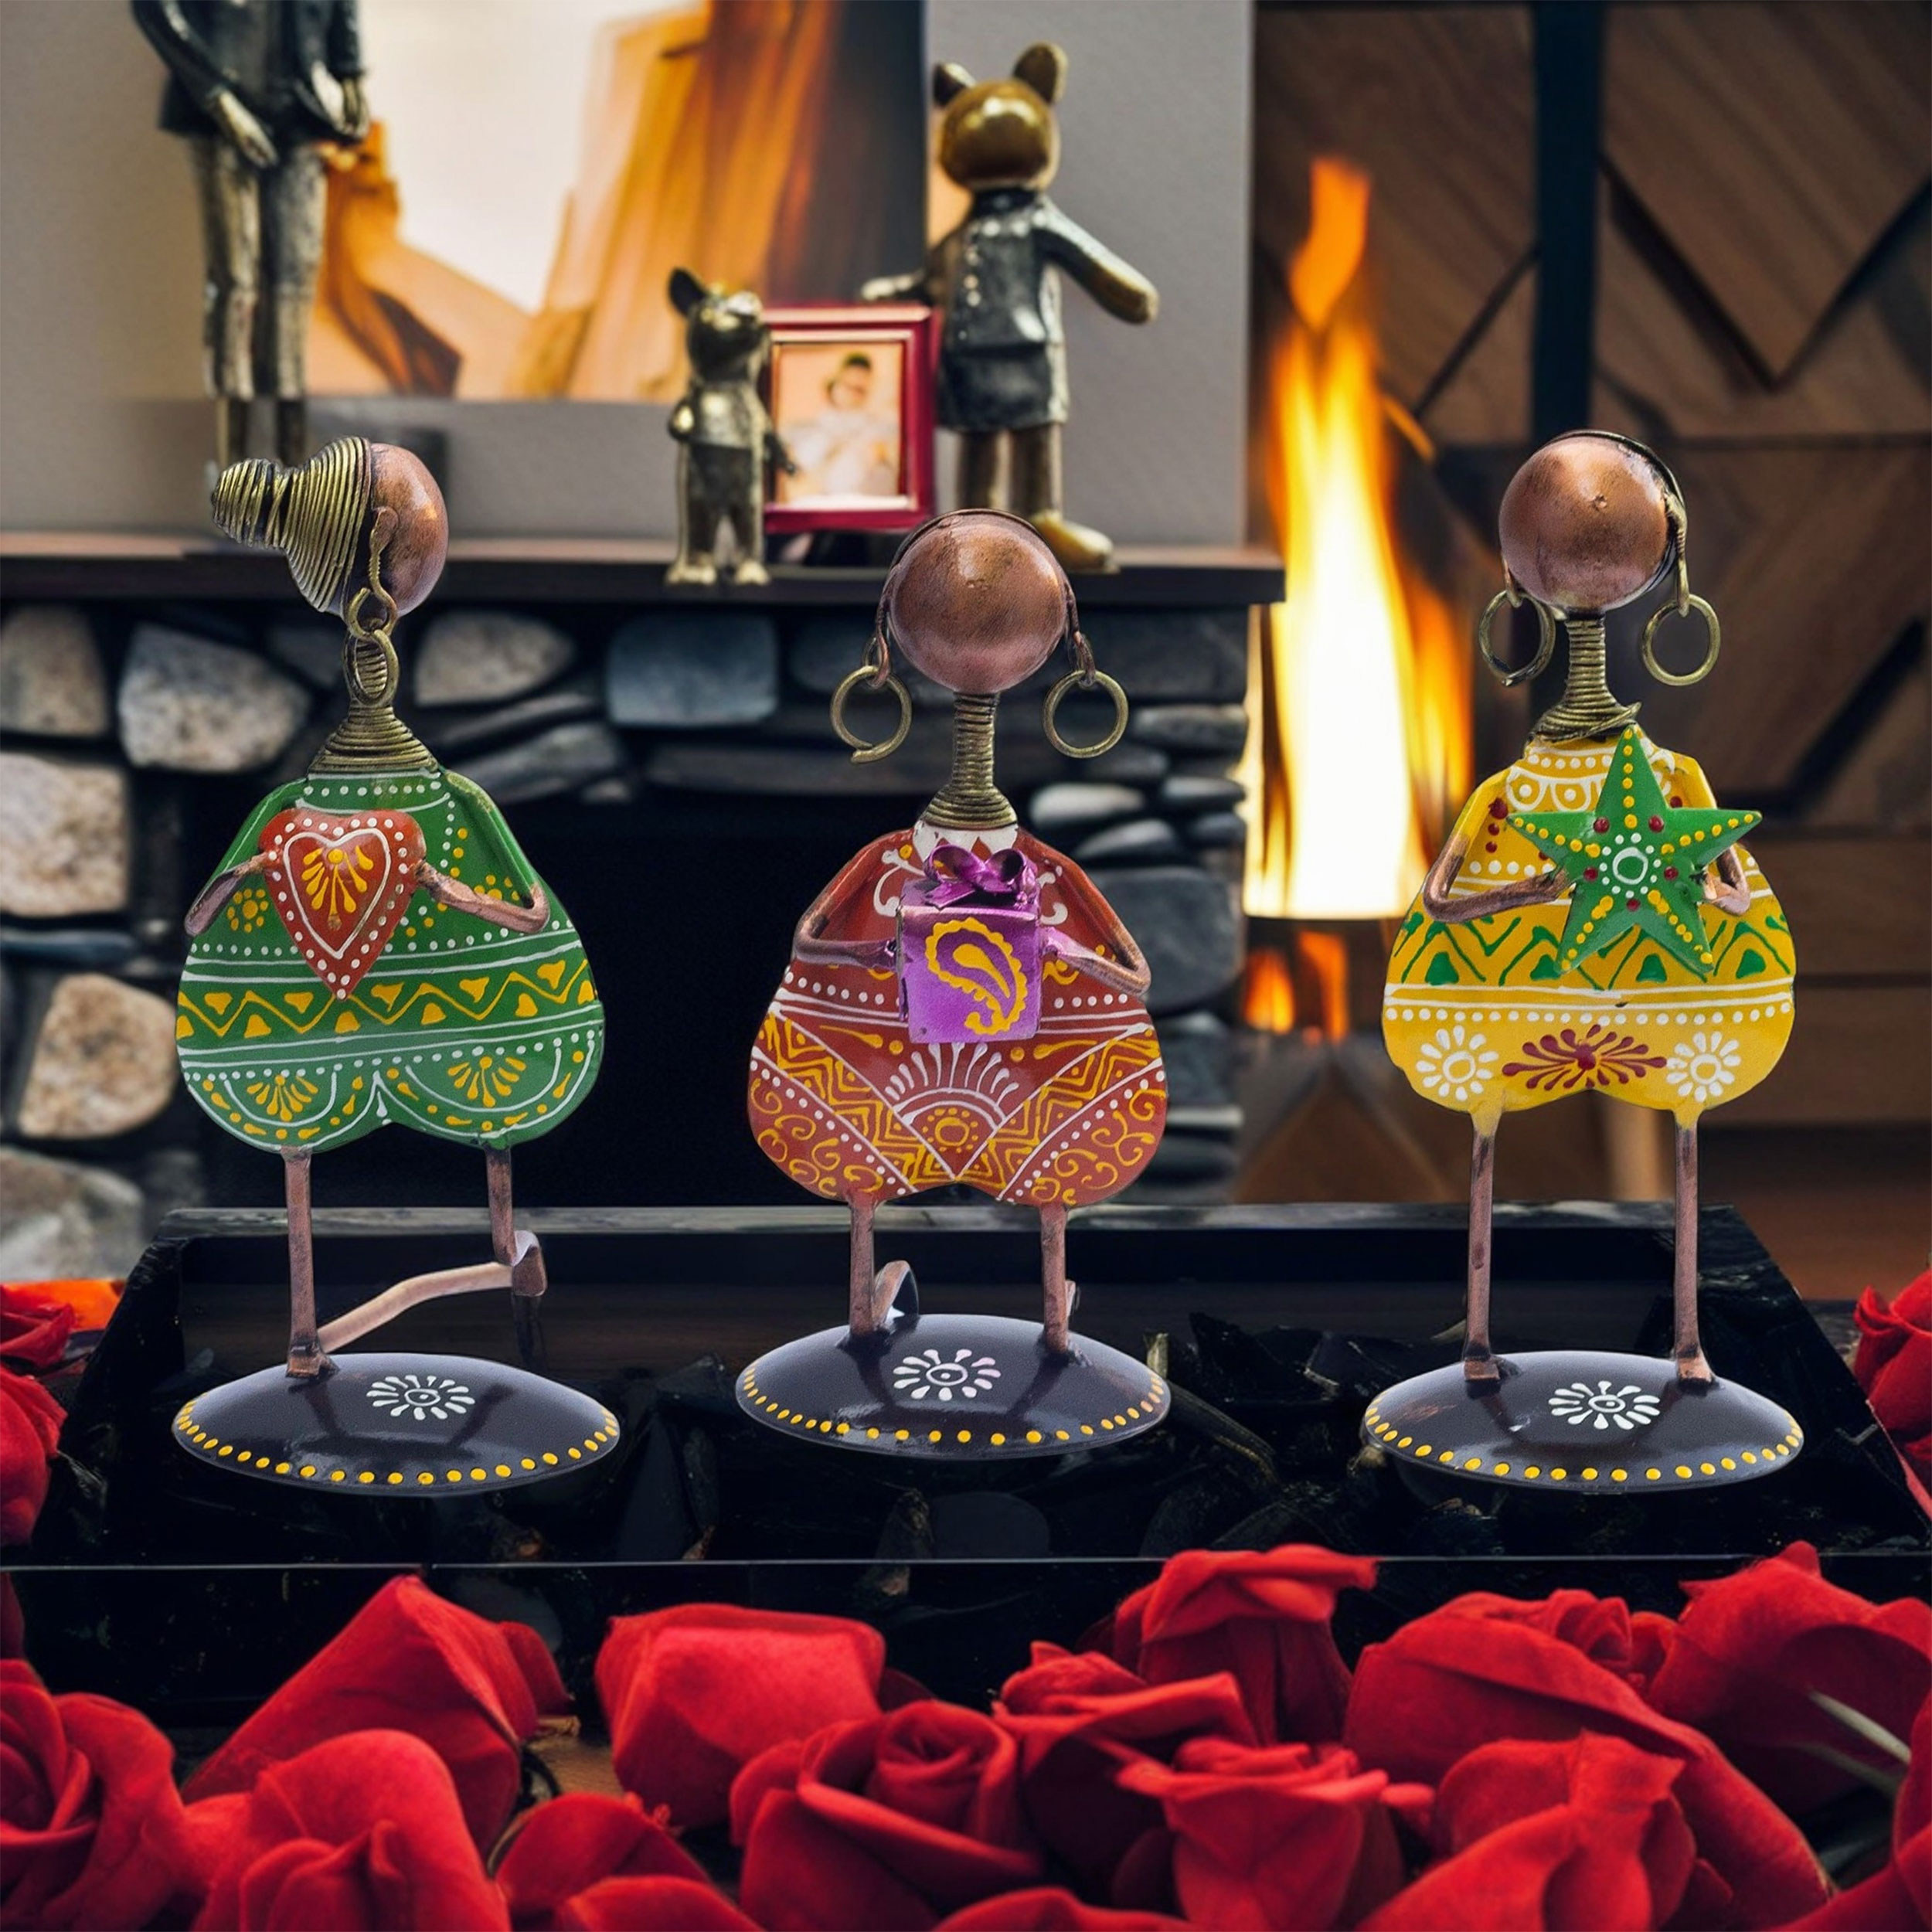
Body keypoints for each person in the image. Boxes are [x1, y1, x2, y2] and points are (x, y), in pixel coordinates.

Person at [132, 0, 371, 468]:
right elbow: (154, 8)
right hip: (218, 117)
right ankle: (233, 472)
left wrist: (350, 74)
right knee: (234, 288)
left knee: (292, 287)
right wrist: (218, 99)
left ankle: (294, 472)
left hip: (299, 112)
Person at [782, 352, 900, 500]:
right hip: (815, 503)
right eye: (848, 386)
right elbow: (796, 472)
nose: (852, 395)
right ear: (835, 384)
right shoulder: (806, 429)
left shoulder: (879, 430)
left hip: (860, 503)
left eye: (860, 390)